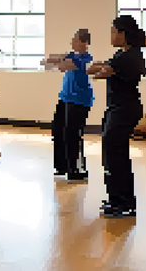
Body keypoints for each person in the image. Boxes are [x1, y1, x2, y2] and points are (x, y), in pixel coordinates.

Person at [86, 15, 146, 218]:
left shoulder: (129, 57)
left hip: (123, 110)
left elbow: (99, 72)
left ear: (124, 34)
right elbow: (98, 68)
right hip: (119, 109)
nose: (111, 36)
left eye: (114, 32)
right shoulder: (124, 54)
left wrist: (101, 68)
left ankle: (125, 203)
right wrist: (101, 67)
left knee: (116, 157)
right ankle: (117, 199)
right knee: (113, 156)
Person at [42, 29, 94, 182]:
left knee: (72, 134)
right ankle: (61, 167)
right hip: (65, 98)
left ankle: (76, 169)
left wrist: (59, 60)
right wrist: (58, 59)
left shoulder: (86, 58)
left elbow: (63, 66)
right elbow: (47, 61)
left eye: (75, 40)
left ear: (83, 43)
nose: (72, 42)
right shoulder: (72, 55)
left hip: (80, 100)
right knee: (58, 130)